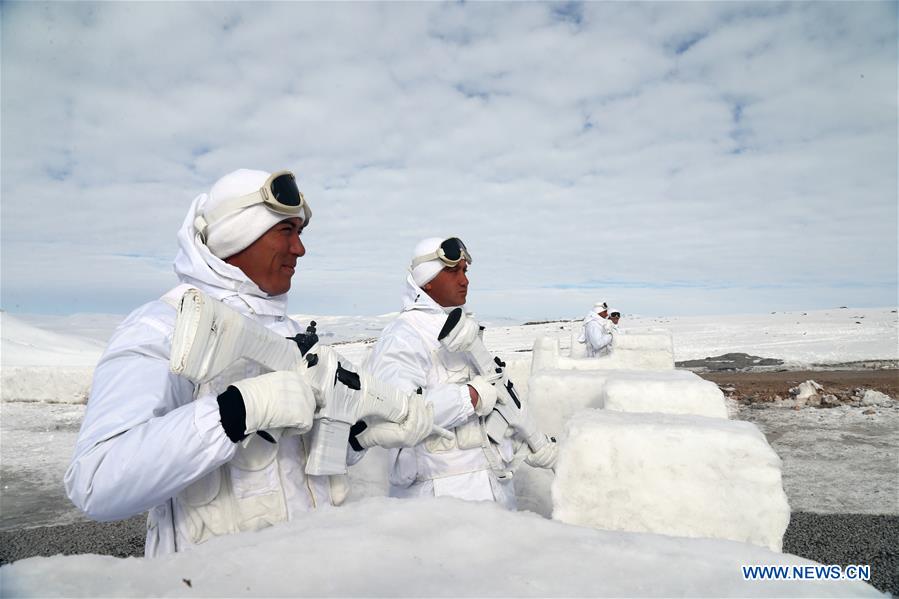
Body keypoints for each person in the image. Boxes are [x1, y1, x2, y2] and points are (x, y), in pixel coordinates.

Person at [64, 169, 434, 557]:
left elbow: (296, 464)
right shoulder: (163, 326)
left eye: (300, 233)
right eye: (286, 231)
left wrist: (357, 438)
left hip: (312, 571)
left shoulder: (291, 333)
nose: (300, 249)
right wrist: (235, 412)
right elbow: (97, 481)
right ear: (238, 235)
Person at [365, 237, 520, 509]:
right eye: (452, 271)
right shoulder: (404, 334)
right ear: (427, 280)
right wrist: (472, 396)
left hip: (491, 490)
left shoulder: (462, 328)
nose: (464, 280)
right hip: (440, 503)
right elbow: (397, 413)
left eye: (465, 271)